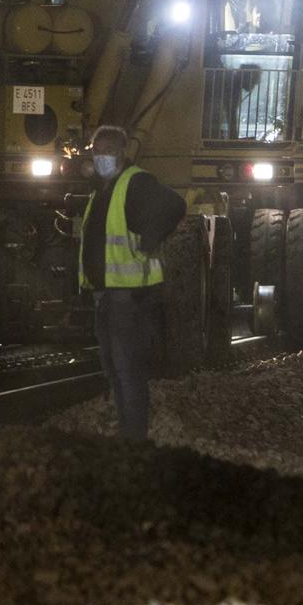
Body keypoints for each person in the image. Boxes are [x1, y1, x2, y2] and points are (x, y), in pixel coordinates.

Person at [78, 124, 186, 443]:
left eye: (108, 152)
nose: (101, 158)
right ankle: (128, 433)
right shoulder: (103, 188)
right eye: (97, 152)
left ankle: (134, 437)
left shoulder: (136, 183)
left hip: (128, 296)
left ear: (122, 153)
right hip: (106, 294)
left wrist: (150, 239)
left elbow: (175, 206)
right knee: (114, 369)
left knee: (127, 370)